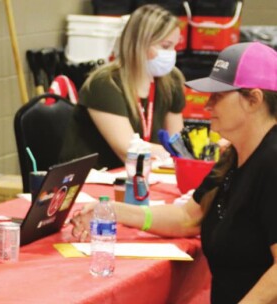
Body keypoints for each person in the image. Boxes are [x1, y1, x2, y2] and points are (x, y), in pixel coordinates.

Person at [71, 42, 277, 303]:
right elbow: (187, 217)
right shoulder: (234, 156)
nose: (207, 105)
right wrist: (114, 211)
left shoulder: (272, 163)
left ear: (254, 100)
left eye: (218, 95)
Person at [60, 4, 185, 170]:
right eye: (165, 46)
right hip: (95, 178)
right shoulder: (104, 83)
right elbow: (127, 152)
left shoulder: (171, 79)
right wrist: (171, 152)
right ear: (140, 44)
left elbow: (177, 142)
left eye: (174, 46)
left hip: (145, 174)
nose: (171, 54)